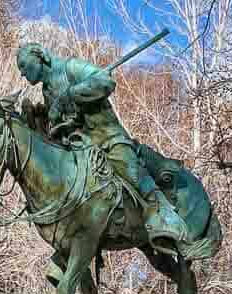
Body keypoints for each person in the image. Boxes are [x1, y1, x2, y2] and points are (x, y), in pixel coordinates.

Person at [16, 42, 188, 256]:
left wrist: (70, 94)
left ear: (40, 56)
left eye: (24, 66)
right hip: (78, 146)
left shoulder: (71, 67)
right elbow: (64, 122)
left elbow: (105, 81)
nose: (23, 73)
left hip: (105, 136)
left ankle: (164, 215)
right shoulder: (47, 90)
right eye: (20, 70)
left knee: (130, 168)